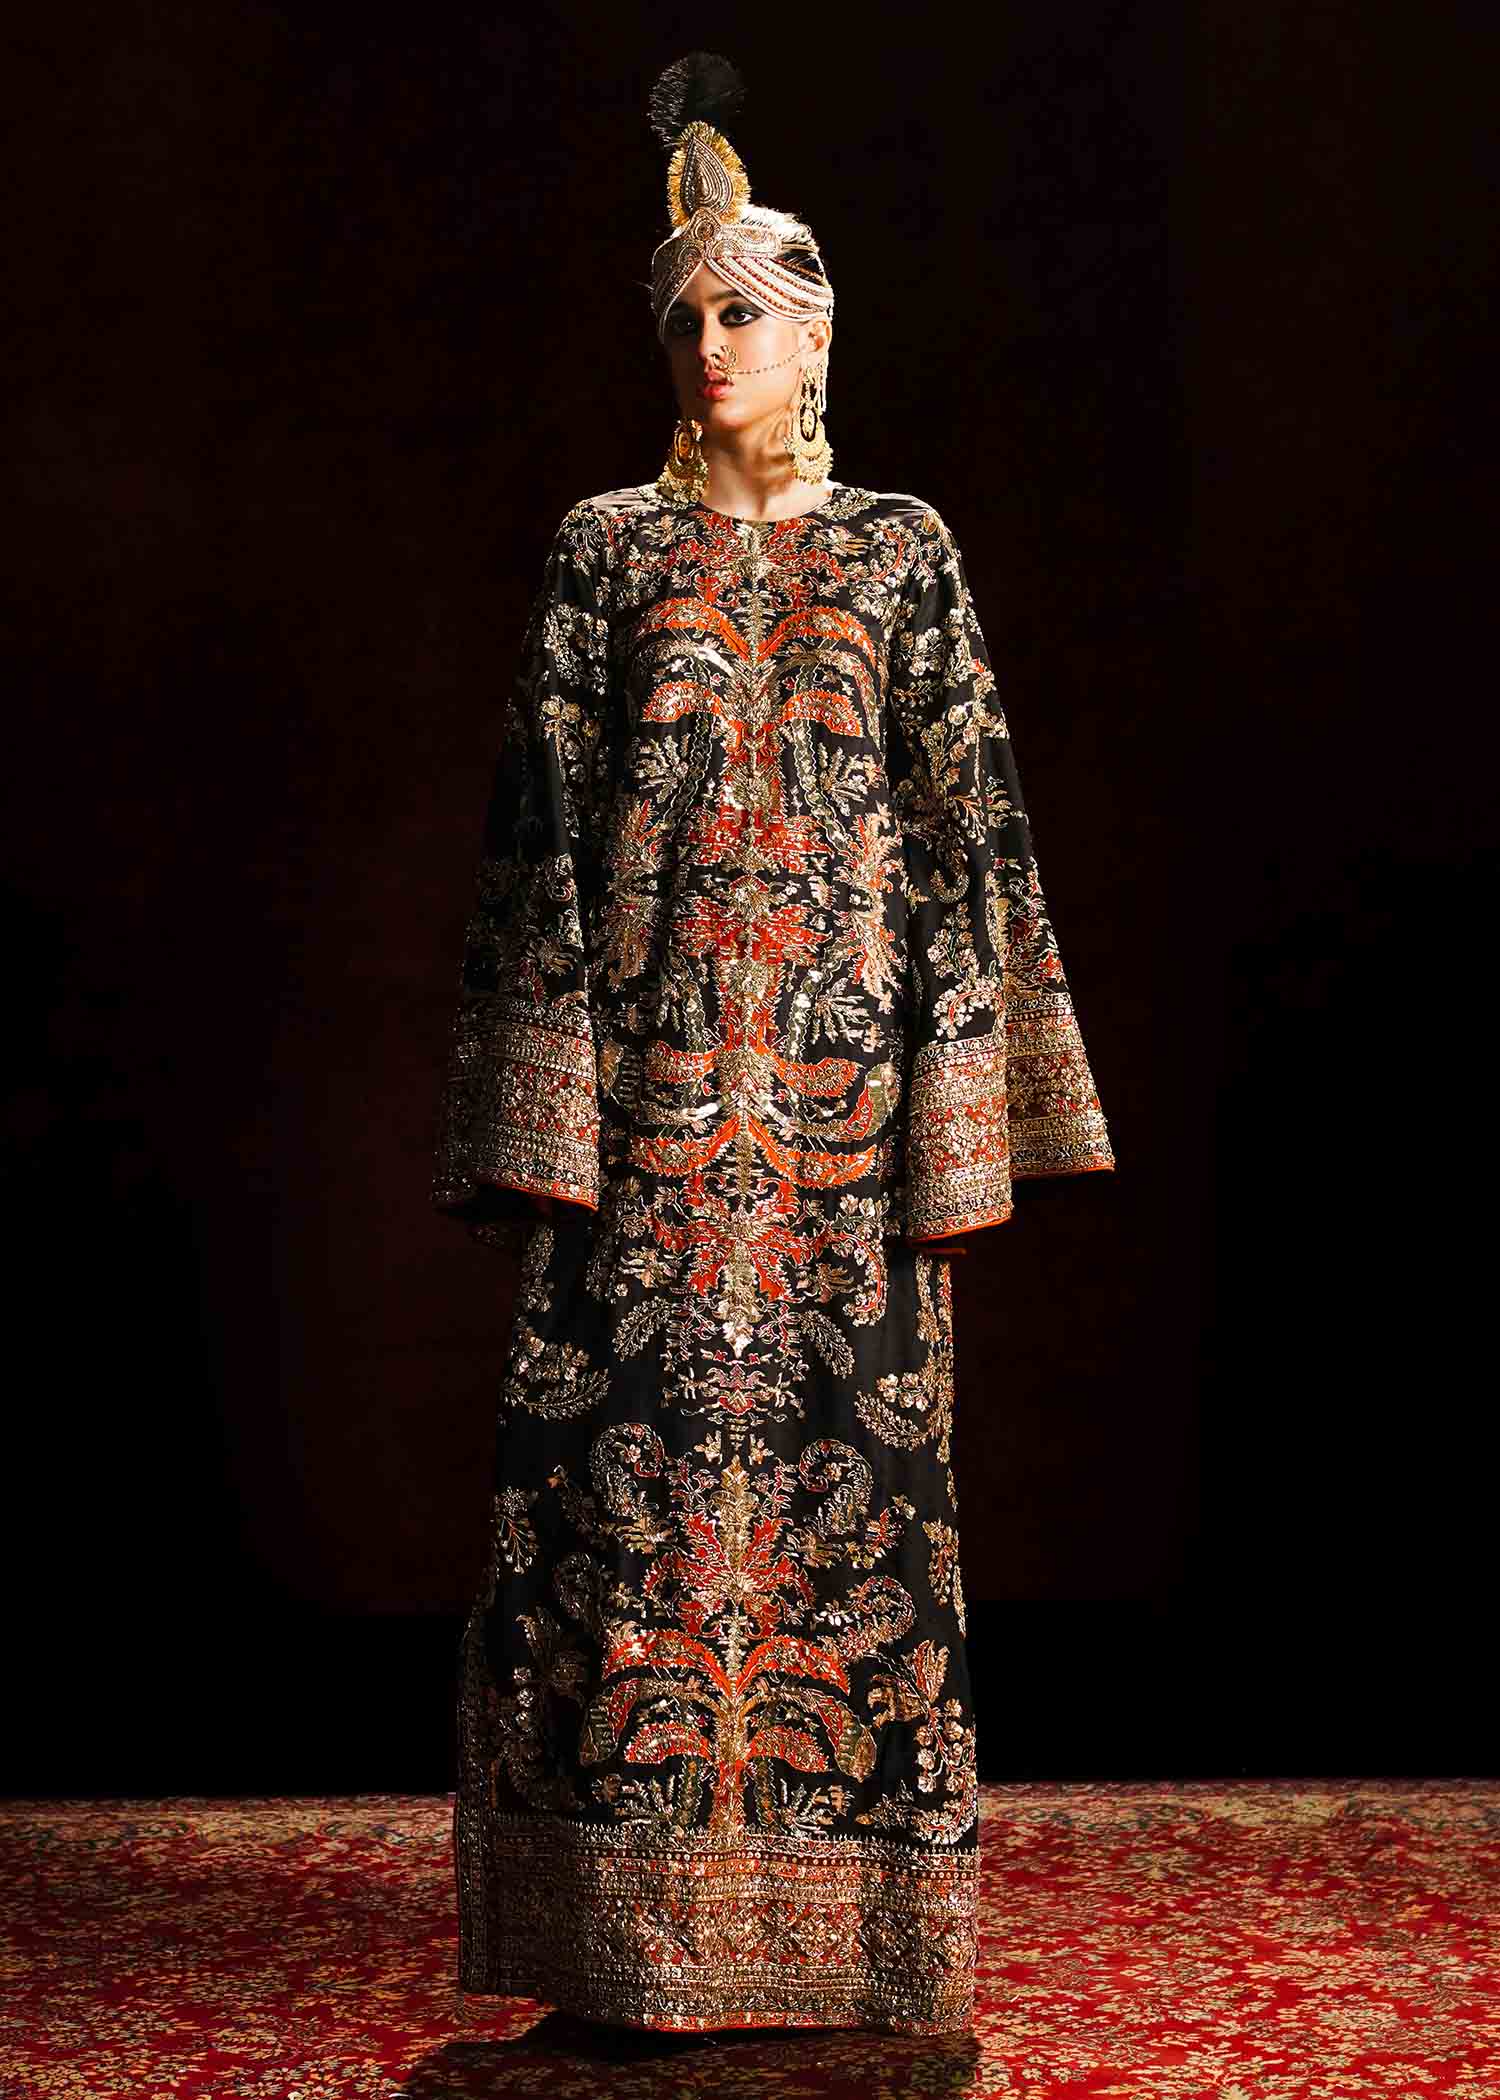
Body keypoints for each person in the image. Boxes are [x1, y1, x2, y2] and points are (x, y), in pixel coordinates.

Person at [430, 51, 1116, 2036]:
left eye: (745, 314)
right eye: (686, 319)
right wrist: (543, 1119)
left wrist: (964, 1128)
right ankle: (618, 1956)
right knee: (612, 1522)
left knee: (857, 1522)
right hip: (646, 1121)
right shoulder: (602, 555)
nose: (712, 346)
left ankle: (858, 1950)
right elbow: (536, 844)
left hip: (841, 1126)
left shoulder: (903, 552)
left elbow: (969, 832)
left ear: (815, 335)